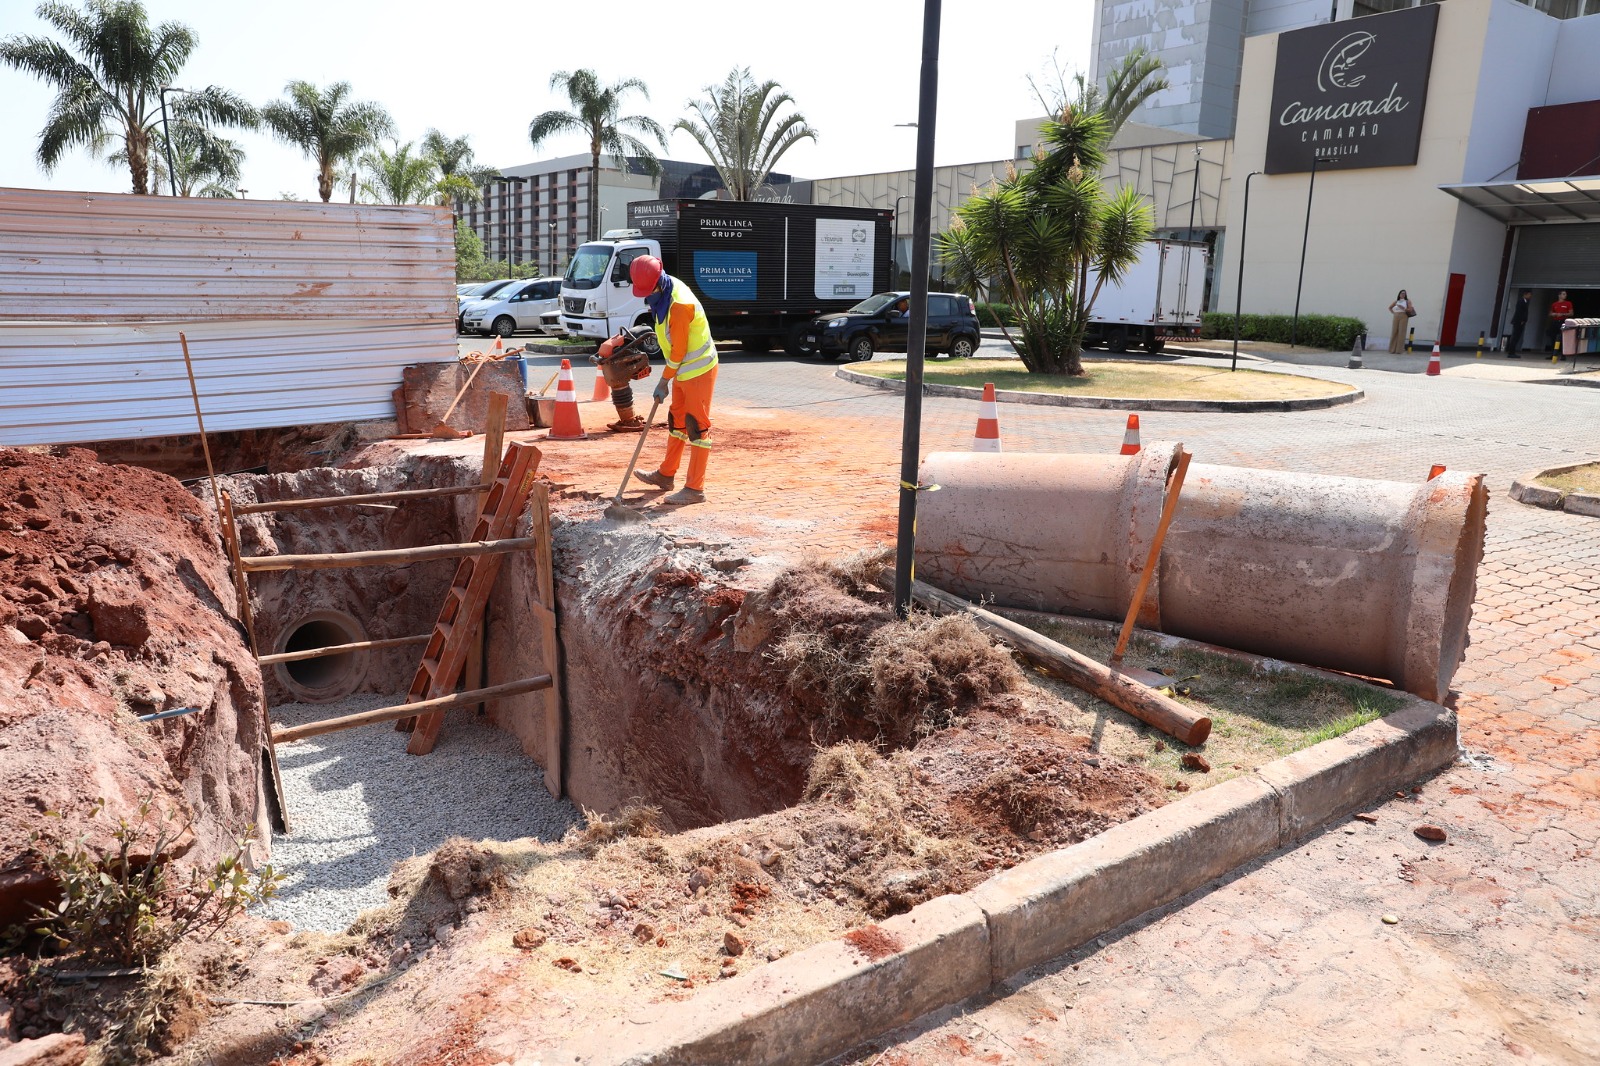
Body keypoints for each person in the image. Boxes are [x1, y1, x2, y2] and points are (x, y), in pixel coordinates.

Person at [629, 255, 718, 506]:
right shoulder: (665, 292)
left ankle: (694, 489)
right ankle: (666, 474)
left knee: (697, 427)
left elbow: (678, 350)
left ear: (659, 281)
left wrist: (663, 381)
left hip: (697, 369)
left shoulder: (679, 304)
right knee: (677, 420)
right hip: (682, 370)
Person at [1508, 290, 1532, 358]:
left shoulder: (1525, 301)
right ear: (1525, 294)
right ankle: (1511, 352)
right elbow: (1519, 312)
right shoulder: (1521, 301)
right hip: (1518, 322)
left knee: (1517, 336)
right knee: (1515, 336)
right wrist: (1521, 320)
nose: (1530, 296)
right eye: (1529, 294)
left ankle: (1512, 351)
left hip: (1521, 322)